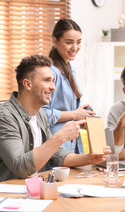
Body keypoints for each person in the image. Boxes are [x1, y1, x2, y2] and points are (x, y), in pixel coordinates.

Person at [0, 54, 109, 186]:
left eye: (53, 81)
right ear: (27, 84)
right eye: (47, 80)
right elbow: (21, 168)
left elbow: (55, 155)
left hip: (28, 190)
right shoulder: (4, 119)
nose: (53, 87)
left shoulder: (39, 114)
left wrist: (89, 159)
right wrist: (60, 137)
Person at [42, 19, 95, 154]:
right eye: (69, 42)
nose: (75, 48)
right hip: (56, 142)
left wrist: (80, 115)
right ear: (55, 41)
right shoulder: (51, 72)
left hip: (71, 140)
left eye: (78, 42)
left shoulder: (70, 68)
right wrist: (74, 114)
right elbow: (41, 114)